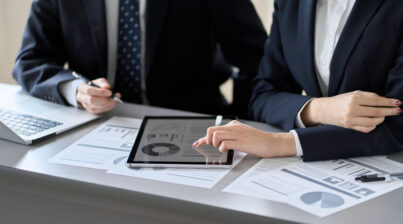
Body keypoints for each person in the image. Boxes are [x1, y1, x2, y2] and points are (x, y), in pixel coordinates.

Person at [195, 0, 403, 161]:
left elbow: (398, 126)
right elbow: (264, 94)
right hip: (323, 170)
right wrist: (318, 109)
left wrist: (282, 143)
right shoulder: (290, 3)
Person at [13, 0, 267, 118]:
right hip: (93, 123)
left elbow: (256, 59)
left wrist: (239, 119)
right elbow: (30, 61)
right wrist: (76, 90)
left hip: (190, 124)